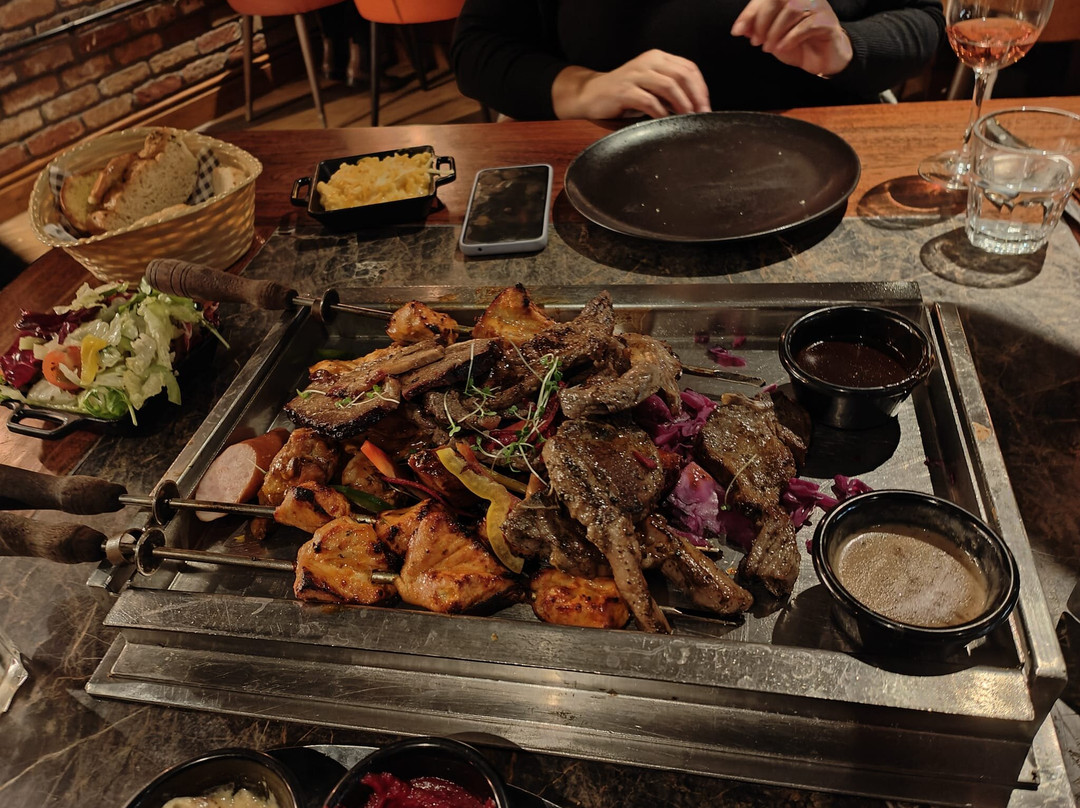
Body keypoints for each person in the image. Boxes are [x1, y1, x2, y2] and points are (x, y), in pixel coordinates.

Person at [451, 0, 945, 120]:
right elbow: (477, 47)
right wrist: (582, 87)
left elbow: (922, 21)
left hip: (827, 158)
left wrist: (846, 46)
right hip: (614, 163)